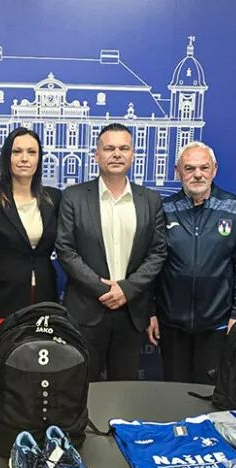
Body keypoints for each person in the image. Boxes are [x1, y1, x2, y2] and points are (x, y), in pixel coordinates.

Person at [56, 123, 167, 381]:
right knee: (83, 388)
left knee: (124, 390)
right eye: (109, 148)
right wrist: (103, 289)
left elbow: (158, 252)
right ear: (96, 155)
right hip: (86, 311)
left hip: (131, 312)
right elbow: (66, 250)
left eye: (123, 148)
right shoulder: (73, 196)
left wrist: (126, 289)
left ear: (133, 155)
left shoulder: (150, 199)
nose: (116, 154)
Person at [149, 142, 236, 384]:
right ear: (177, 172)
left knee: (208, 395)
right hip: (171, 324)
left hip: (217, 324)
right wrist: (150, 312)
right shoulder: (164, 209)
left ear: (214, 169)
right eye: (189, 168)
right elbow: (151, 264)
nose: (197, 174)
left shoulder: (234, 208)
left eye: (204, 167)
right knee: (174, 392)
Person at [0, 127, 61, 334]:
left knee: (41, 354)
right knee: (3, 353)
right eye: (17, 152)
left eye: (31, 152)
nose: (24, 159)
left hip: (44, 297)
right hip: (2, 299)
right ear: (7, 158)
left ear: (39, 159)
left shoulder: (55, 198)